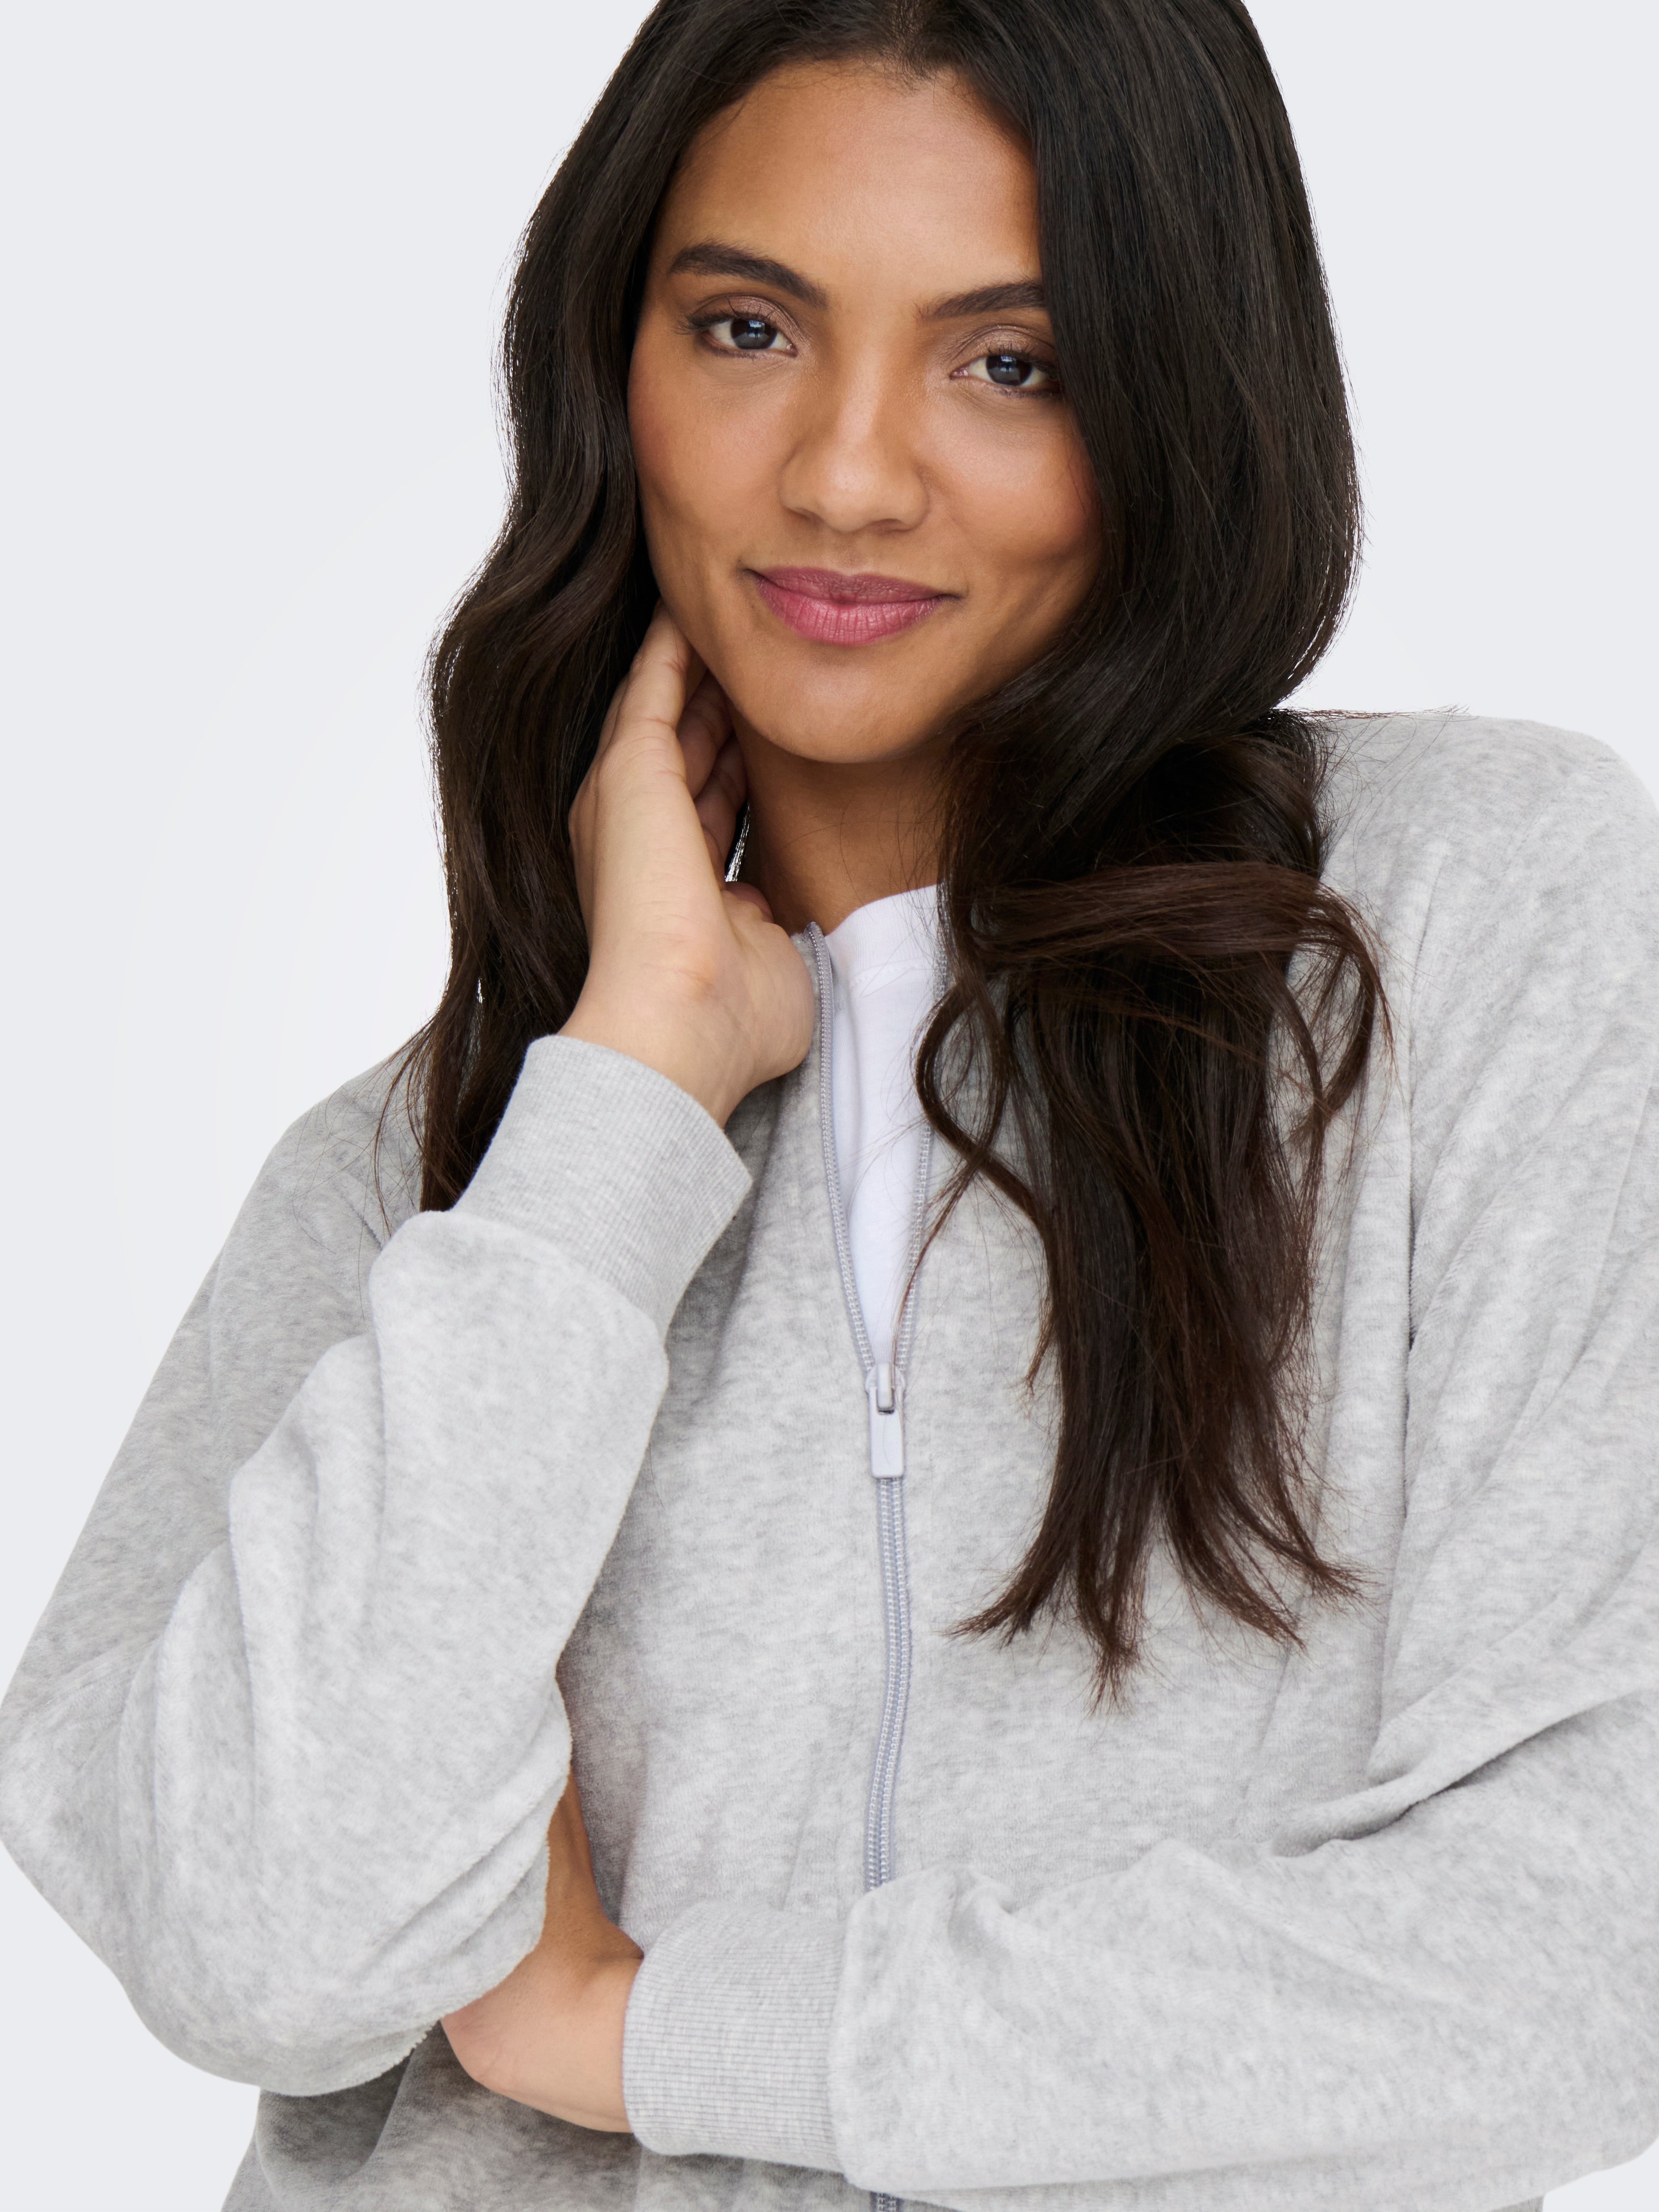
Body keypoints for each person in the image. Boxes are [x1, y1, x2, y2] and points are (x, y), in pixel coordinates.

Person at [3, 1, 1656, 2208]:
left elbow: (1581, 1952)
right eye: (748, 327)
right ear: (610, 365)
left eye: (1009, 361)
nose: (849, 473)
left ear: (1177, 398)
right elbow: (253, 1947)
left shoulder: (1458, 933)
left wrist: (639, 2030)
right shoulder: (435, 1183)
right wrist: (621, 1094)